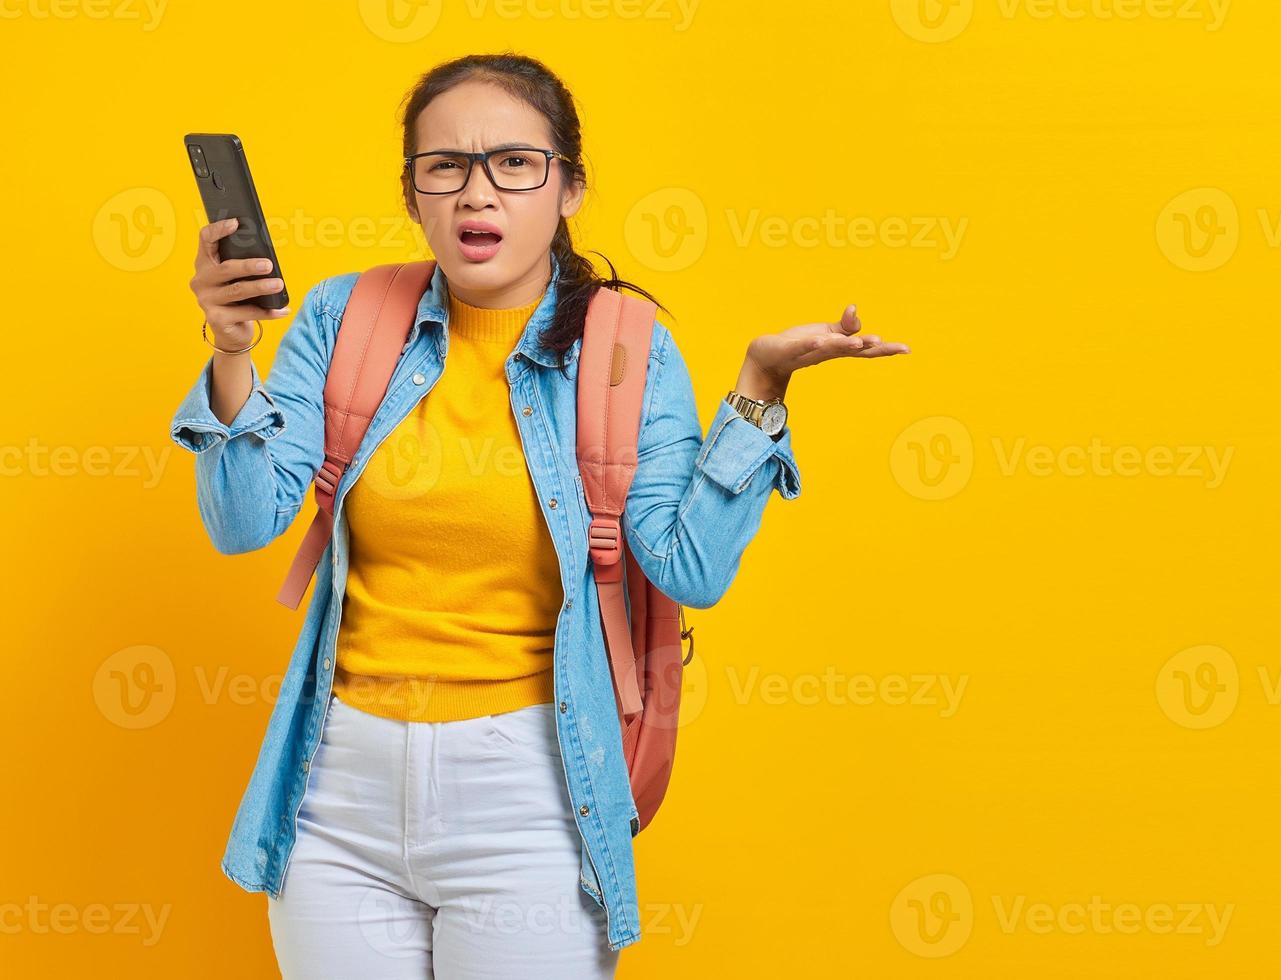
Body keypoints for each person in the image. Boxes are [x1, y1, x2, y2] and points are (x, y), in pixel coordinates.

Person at [171, 51, 909, 979]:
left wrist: (759, 391)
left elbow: (689, 568)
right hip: (337, 791)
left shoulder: (624, 346)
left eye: (514, 164)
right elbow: (244, 521)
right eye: (444, 167)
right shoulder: (346, 316)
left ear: (568, 187)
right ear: (412, 195)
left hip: (528, 791)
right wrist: (232, 353)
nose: (477, 194)